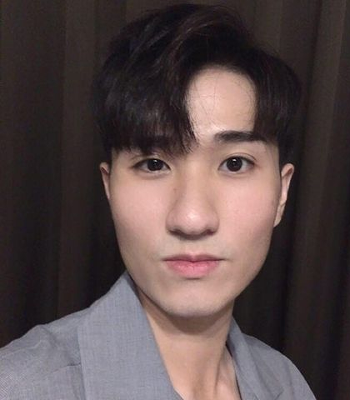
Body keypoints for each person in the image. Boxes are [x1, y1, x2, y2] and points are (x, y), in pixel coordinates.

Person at [0, 4, 316, 399]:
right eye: (153, 164)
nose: (192, 218)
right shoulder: (22, 388)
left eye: (235, 163)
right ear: (109, 186)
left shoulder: (287, 384)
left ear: (281, 193)